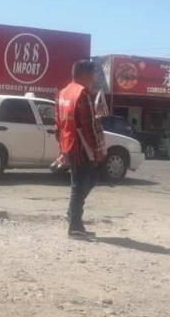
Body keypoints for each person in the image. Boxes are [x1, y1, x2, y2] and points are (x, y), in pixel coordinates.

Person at [56, 60, 106, 238]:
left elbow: (58, 124)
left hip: (69, 144)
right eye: (92, 74)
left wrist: (61, 148)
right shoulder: (82, 93)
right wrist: (98, 149)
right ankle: (75, 225)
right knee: (82, 183)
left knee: (83, 181)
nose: (93, 78)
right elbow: (89, 125)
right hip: (82, 147)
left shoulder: (63, 93)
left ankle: (73, 215)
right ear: (84, 74)